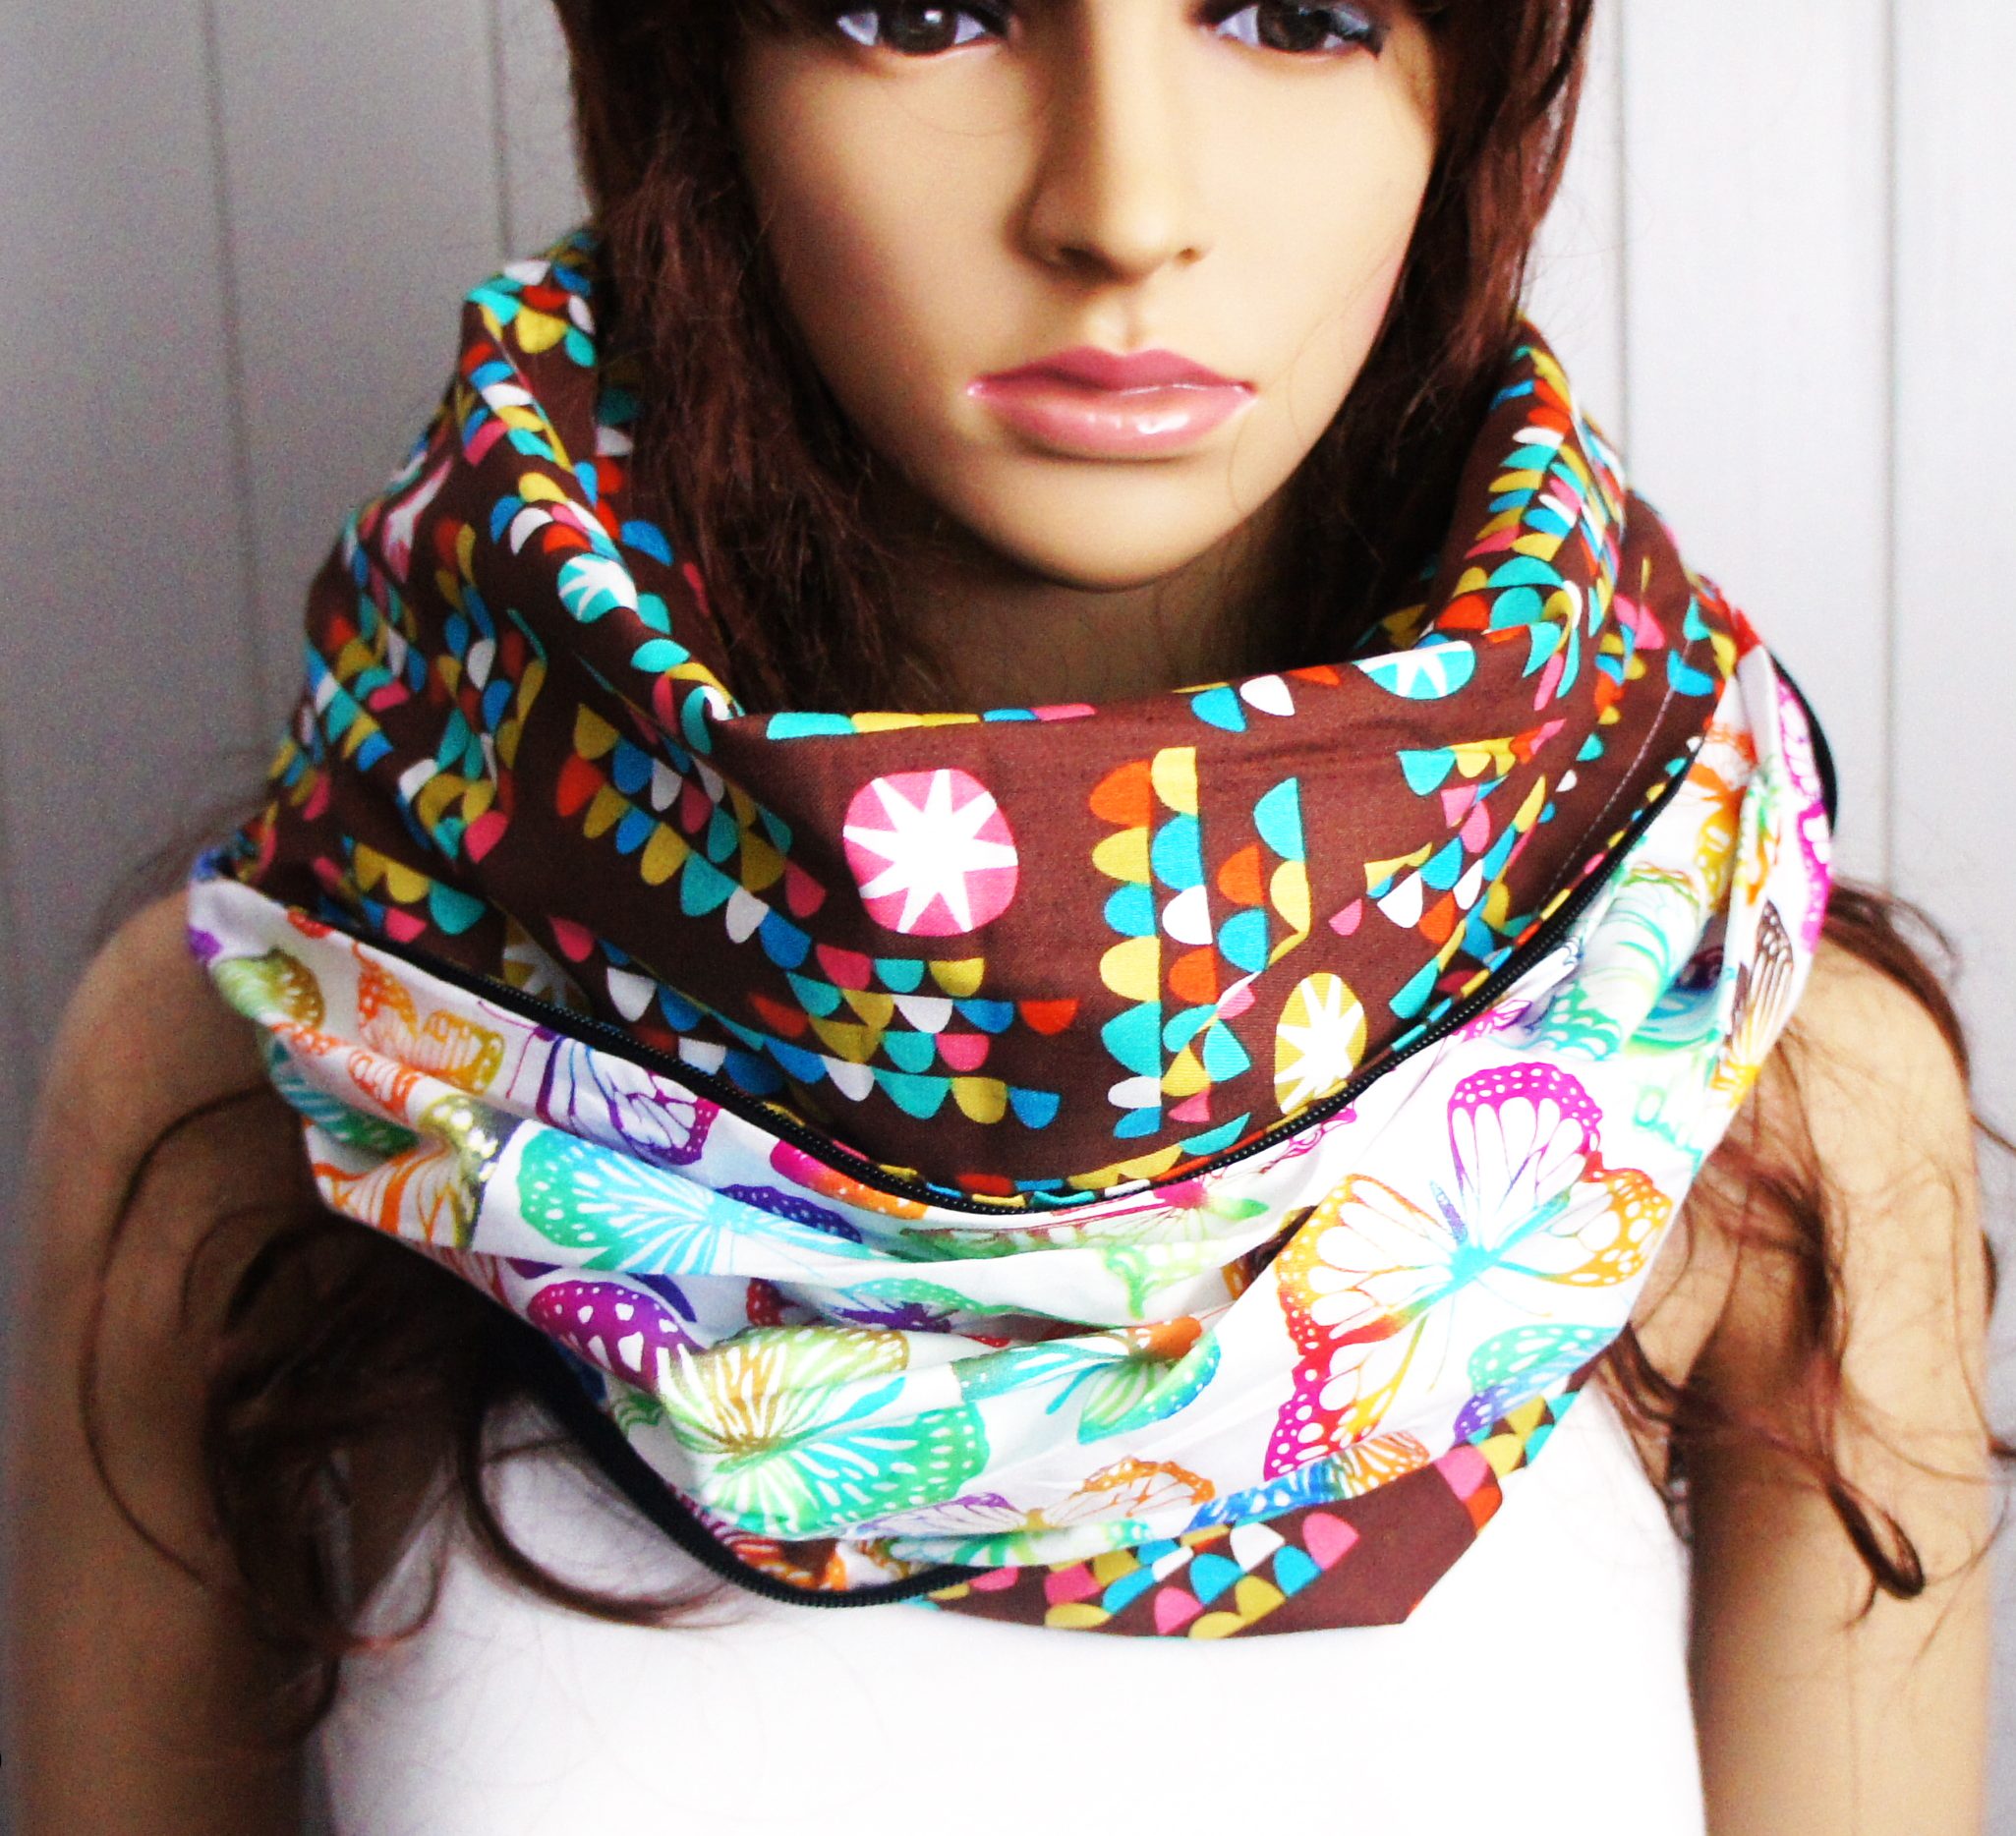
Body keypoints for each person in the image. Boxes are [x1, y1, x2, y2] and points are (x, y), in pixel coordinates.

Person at [5, 2, 1996, 1831]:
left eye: (1297, 14)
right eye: (923, 11)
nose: (1121, 207)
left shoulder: (1741, 1074)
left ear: (1470, 93)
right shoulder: (290, 1052)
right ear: (688, 69)